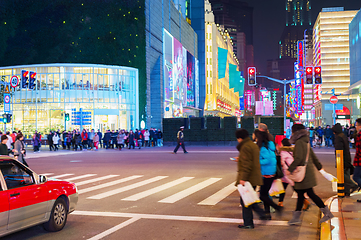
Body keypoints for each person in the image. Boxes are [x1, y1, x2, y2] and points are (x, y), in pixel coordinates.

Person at [287, 124, 334, 225]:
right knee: (300, 194)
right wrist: (320, 168)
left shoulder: (299, 142)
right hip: (307, 173)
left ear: (295, 132)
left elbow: (299, 158)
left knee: (310, 194)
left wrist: (289, 169)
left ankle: (327, 213)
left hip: (303, 174)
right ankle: (296, 218)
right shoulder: (306, 142)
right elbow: (313, 157)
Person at [235, 129, 266, 229]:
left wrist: (243, 178)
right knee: (248, 199)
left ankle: (249, 223)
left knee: (245, 201)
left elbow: (247, 165)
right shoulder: (252, 144)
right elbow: (250, 159)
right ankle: (261, 214)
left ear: (240, 138)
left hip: (249, 177)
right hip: (254, 176)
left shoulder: (245, 146)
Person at [253, 129, 283, 219]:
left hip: (267, 173)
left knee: (263, 195)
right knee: (264, 194)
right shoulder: (269, 146)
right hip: (270, 172)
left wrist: (257, 161)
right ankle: (267, 213)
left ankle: (276, 208)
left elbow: (267, 160)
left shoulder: (263, 148)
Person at [278, 138, 310, 211]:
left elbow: (282, 163)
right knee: (285, 187)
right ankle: (280, 202)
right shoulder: (294, 150)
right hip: (294, 171)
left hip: (287, 172)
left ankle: (305, 201)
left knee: (292, 188)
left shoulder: (283, 152)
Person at [332, 123, 358, 196]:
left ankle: (353, 185)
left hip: (342, 158)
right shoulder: (343, 136)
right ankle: (346, 192)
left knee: (342, 175)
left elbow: (339, 150)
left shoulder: (338, 137)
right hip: (347, 157)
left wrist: (338, 160)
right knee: (346, 173)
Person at [352, 118, 361, 203]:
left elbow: (359, 149)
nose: (356, 127)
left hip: (360, 160)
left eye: (357, 125)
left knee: (356, 177)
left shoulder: (360, 134)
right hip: (359, 160)